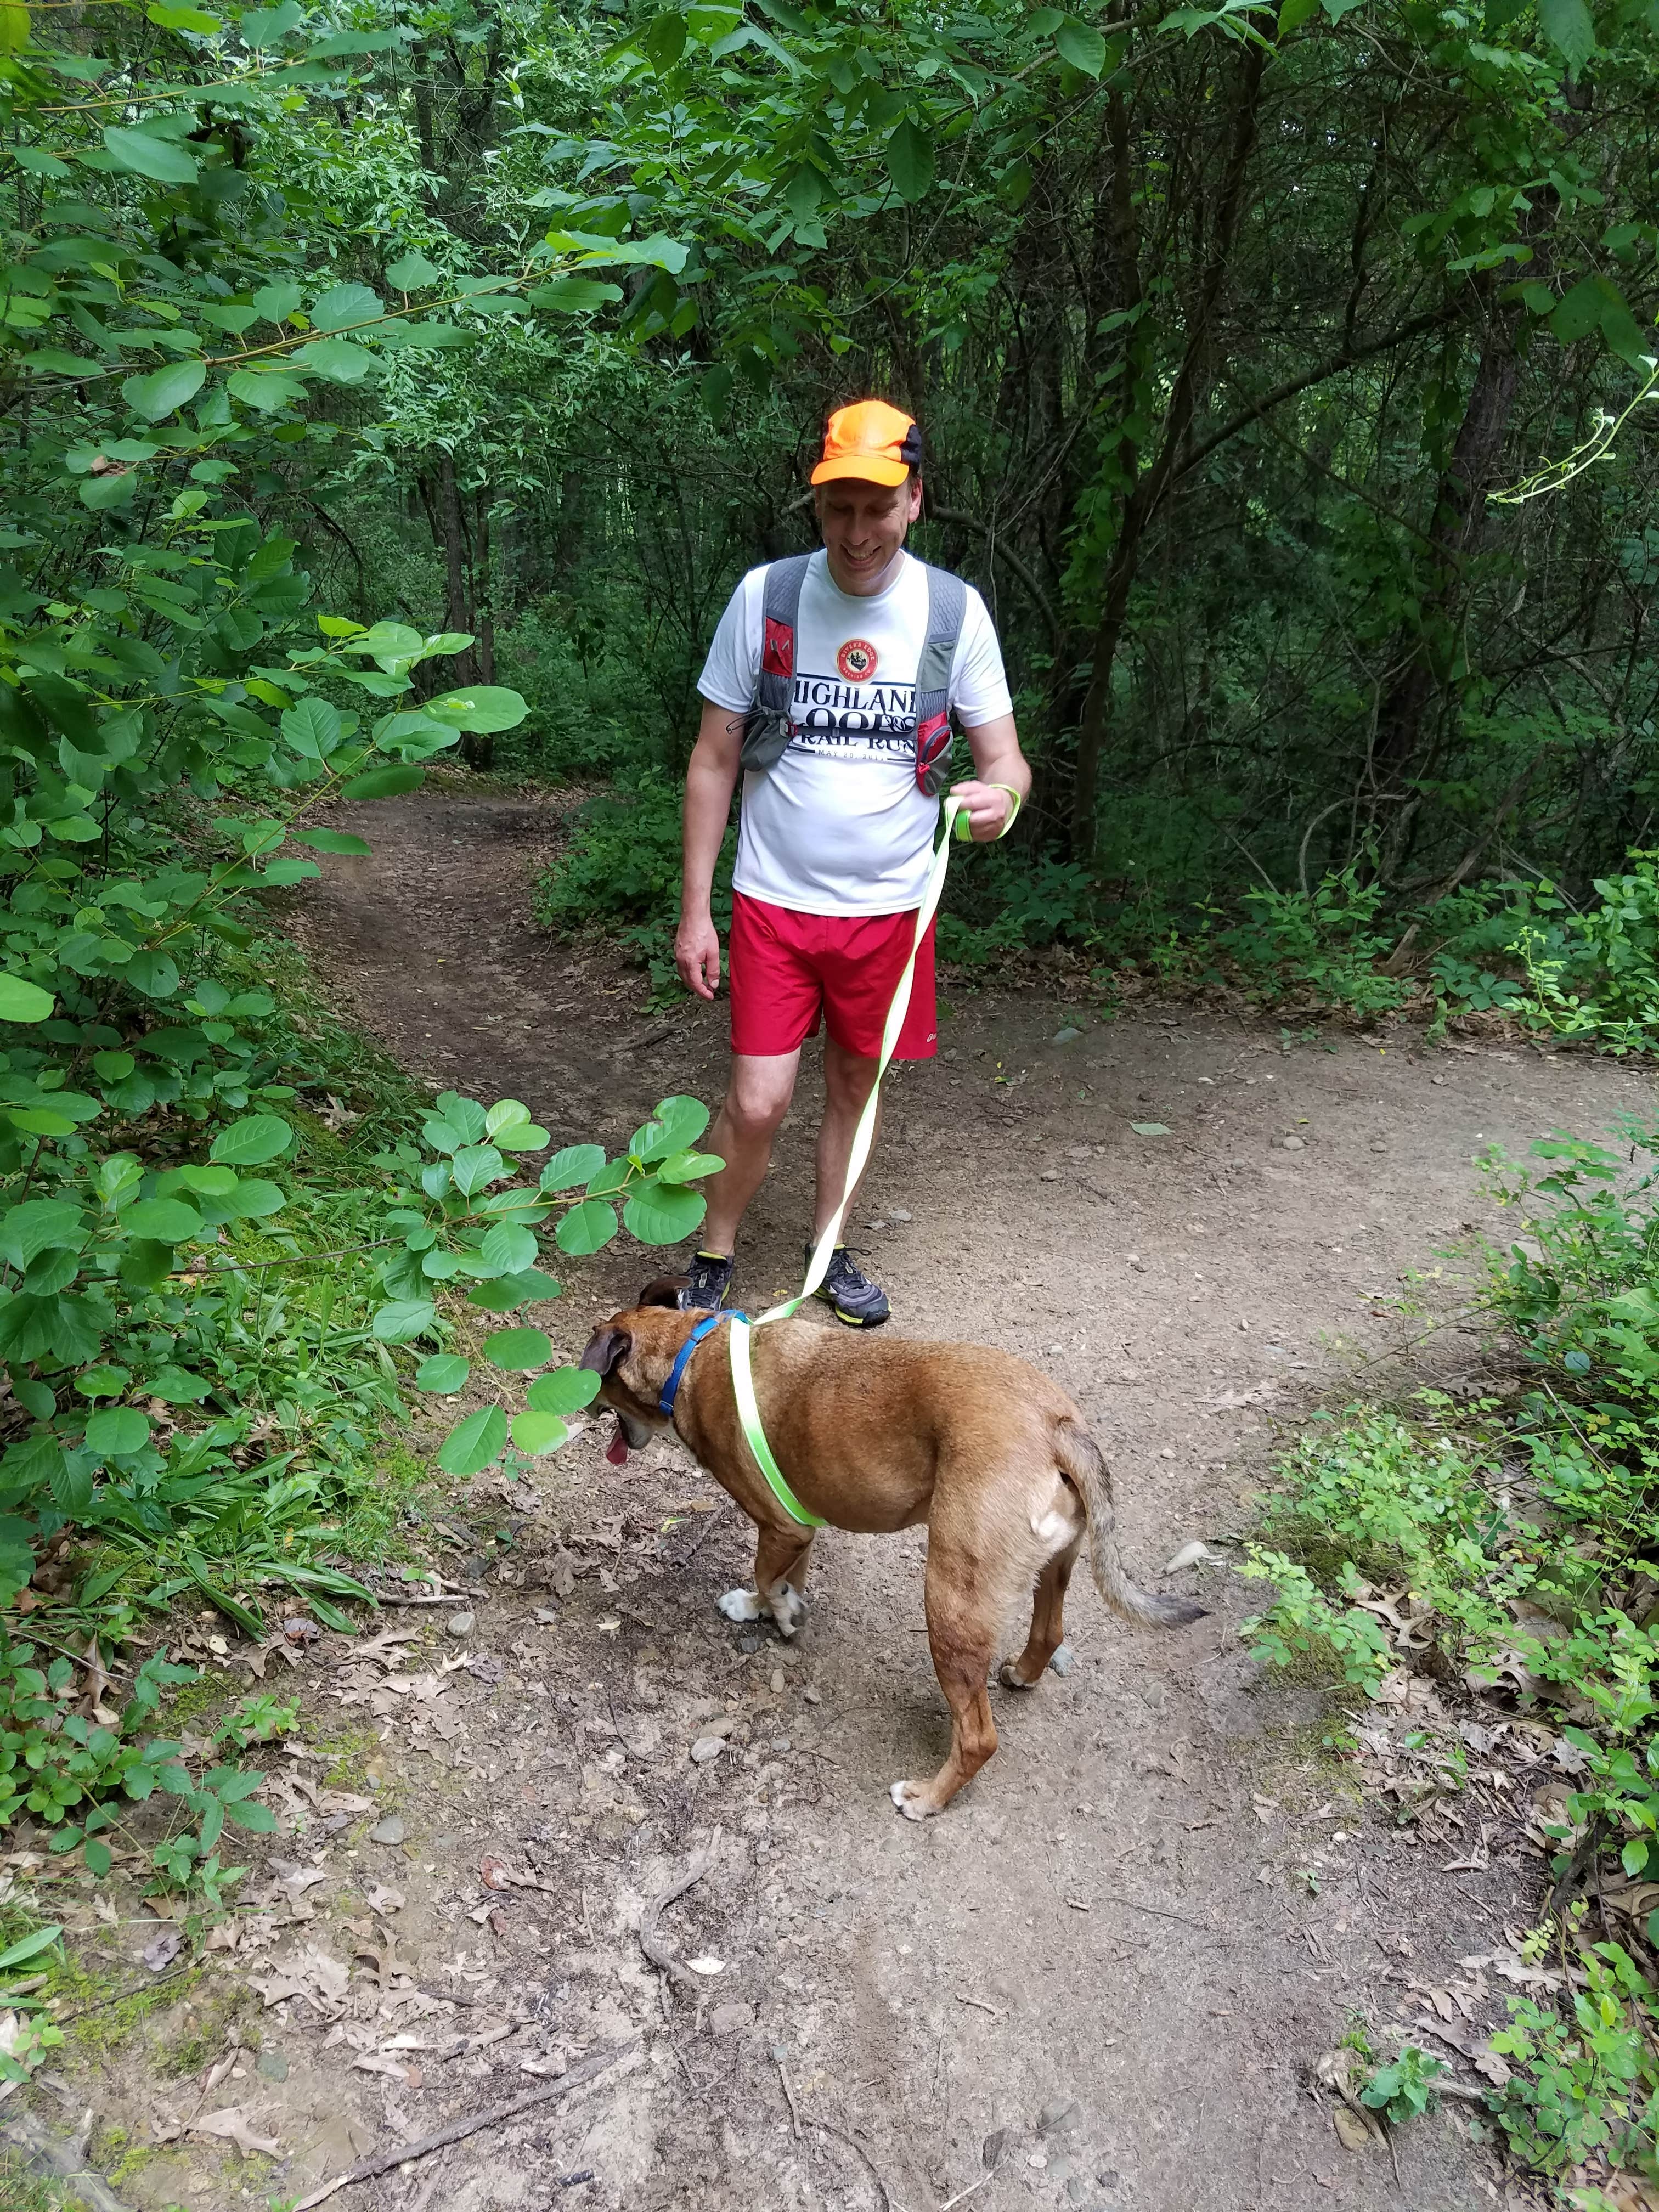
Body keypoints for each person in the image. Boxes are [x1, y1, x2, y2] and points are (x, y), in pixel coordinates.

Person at [674, 399, 1031, 1325]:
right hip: (773, 904)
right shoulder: (768, 598)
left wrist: (1003, 804)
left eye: (879, 506)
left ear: (917, 500)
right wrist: (695, 911)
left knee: (853, 1090)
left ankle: (828, 1246)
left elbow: (1007, 763)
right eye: (840, 507)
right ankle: (716, 1247)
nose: (858, 530)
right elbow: (714, 760)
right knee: (758, 1100)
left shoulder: (955, 613)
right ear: (818, 505)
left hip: (895, 913)